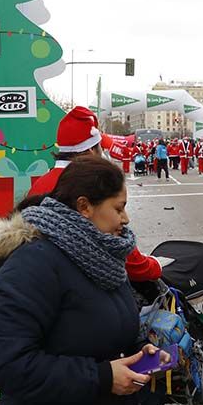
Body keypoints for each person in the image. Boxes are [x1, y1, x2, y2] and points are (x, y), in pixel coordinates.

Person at [0, 156, 169, 405]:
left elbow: (99, 329)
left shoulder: (100, 255)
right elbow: (5, 364)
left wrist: (139, 352)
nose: (126, 219)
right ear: (84, 207)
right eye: (119, 208)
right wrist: (102, 376)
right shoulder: (35, 263)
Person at [28, 107, 163, 281]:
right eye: (100, 146)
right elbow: (119, 248)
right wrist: (154, 266)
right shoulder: (93, 184)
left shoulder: (39, 183)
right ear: (91, 150)